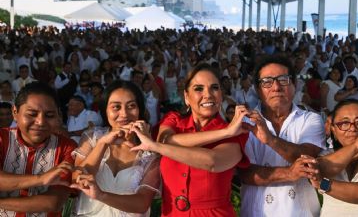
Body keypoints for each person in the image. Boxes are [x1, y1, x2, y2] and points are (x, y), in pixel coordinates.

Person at [130, 63, 249, 216]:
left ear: (221, 94)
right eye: (199, 89)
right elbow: (166, 140)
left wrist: (155, 146)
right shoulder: (173, 120)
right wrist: (225, 132)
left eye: (214, 88)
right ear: (186, 97)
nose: (208, 94)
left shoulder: (237, 132)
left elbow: (213, 162)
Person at [239, 55, 325, 216]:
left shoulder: (311, 119)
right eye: (267, 82)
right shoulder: (244, 122)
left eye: (283, 79)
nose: (276, 87)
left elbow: (307, 157)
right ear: (258, 89)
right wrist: (290, 173)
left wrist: (270, 140)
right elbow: (246, 173)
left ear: (295, 84)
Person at [70, 80, 160, 216]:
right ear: (105, 110)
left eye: (131, 106)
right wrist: (102, 144)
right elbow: (77, 178)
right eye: (116, 107)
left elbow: (142, 203)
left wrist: (101, 195)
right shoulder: (92, 138)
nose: (124, 114)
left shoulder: (149, 152)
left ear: (140, 110)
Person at [0, 81, 76, 216]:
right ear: (15, 112)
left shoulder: (67, 147)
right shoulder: (1, 138)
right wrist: (41, 178)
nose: (40, 122)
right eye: (32, 114)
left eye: (49, 115)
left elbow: (53, 202)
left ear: (58, 116)